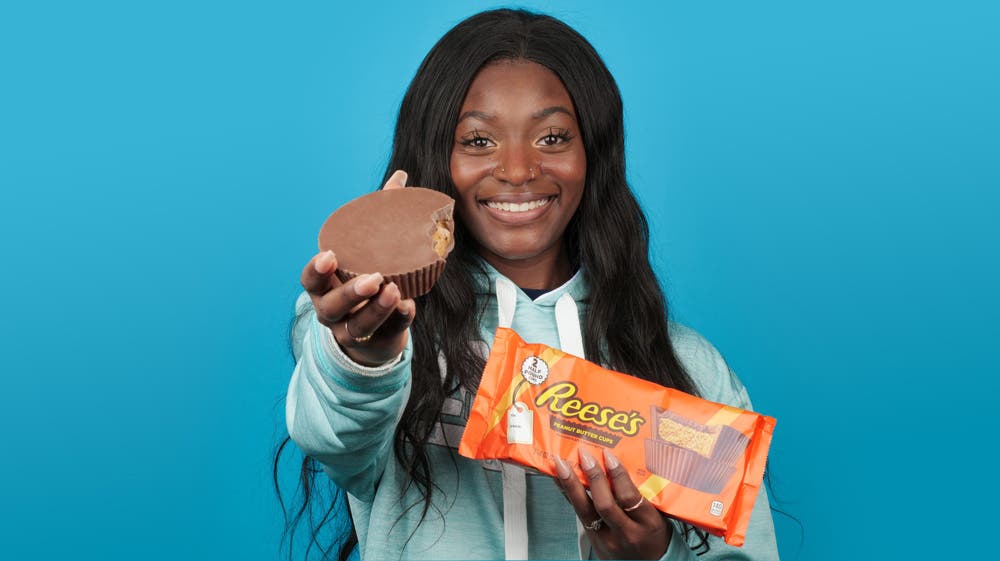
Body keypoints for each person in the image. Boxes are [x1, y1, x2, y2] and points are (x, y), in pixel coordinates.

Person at [283, 8, 779, 560]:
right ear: (435, 155)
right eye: (477, 140)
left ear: (594, 153)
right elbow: (333, 436)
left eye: (551, 137)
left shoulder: (691, 368)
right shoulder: (379, 336)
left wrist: (659, 555)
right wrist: (361, 357)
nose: (518, 170)